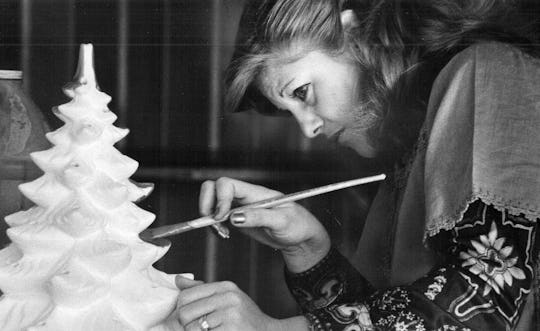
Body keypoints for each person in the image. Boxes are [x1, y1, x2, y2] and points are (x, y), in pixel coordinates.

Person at [174, 0, 540, 330]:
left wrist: (272, 330)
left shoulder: (486, 71)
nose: (309, 129)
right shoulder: (410, 146)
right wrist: (307, 248)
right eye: (291, 114)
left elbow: (486, 301)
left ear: (352, 35)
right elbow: (384, 316)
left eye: (302, 92)